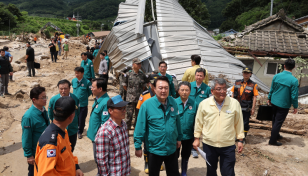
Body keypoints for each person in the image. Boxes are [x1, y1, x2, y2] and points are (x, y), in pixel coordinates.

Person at [193, 78, 244, 176]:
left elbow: (239, 123)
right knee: (211, 171)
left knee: (228, 172)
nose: (222, 92)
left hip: (228, 145)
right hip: (209, 144)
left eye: (224, 89)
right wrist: (196, 138)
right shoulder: (204, 104)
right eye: (219, 89)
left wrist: (240, 140)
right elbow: (198, 122)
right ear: (212, 91)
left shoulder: (234, 104)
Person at [134, 76, 183, 176]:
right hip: (154, 150)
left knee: (174, 173)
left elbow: (177, 122)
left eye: (166, 88)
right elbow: (140, 126)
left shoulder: (173, 102)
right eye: (160, 88)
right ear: (154, 89)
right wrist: (137, 145)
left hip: (171, 148)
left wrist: (179, 138)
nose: (163, 90)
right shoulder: (146, 105)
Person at [34, 97, 84, 176]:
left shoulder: (63, 132)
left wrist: (76, 167)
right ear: (71, 116)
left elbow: (69, 154)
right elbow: (46, 174)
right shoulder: (50, 144)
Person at [95, 95, 131, 176]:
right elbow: (101, 160)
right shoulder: (105, 132)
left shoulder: (123, 124)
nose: (124, 111)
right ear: (110, 111)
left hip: (125, 172)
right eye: (120, 109)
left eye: (124, 108)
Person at [135, 74, 164, 174]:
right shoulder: (144, 94)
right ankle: (147, 163)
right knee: (147, 146)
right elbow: (139, 110)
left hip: (158, 124)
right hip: (147, 125)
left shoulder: (163, 95)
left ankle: (159, 163)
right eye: (153, 84)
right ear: (149, 84)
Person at [267, 58, 298, 146]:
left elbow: (272, 88)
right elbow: (294, 96)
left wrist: (269, 98)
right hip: (284, 104)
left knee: (275, 119)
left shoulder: (277, 76)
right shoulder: (294, 80)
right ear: (294, 67)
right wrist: (295, 106)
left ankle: (276, 135)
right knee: (278, 121)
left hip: (274, 101)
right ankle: (272, 141)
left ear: (284, 66)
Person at [21, 86, 49, 176]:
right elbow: (26, 137)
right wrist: (29, 155)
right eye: (43, 97)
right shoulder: (28, 116)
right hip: (36, 153)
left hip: (45, 150)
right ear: (34, 99)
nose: (45, 99)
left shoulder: (43, 111)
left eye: (46, 97)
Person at [48, 80, 80, 152]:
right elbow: (50, 114)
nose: (63, 91)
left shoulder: (75, 98)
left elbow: (78, 112)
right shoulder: (53, 100)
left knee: (71, 148)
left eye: (65, 88)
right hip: (58, 130)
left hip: (72, 129)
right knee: (59, 150)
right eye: (61, 89)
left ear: (69, 88)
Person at [87, 78, 110, 175]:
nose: (91, 88)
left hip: (99, 138)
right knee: (98, 158)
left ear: (100, 89)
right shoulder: (98, 99)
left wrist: (98, 137)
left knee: (100, 159)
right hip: (95, 136)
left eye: (93, 87)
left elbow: (104, 124)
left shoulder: (106, 102)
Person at [231, 67, 258, 143]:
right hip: (236, 106)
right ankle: (235, 136)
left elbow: (255, 97)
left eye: (248, 73)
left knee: (245, 123)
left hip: (246, 107)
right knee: (234, 121)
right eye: (244, 72)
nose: (246, 74)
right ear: (242, 73)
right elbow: (233, 93)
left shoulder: (253, 85)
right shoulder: (237, 82)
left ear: (250, 74)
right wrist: (231, 104)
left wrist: (253, 108)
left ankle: (242, 138)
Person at [176, 81, 197, 176]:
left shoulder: (194, 103)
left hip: (188, 135)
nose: (184, 92)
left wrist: (196, 136)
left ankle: (184, 172)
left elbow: (197, 121)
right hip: (175, 136)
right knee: (174, 155)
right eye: (182, 90)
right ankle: (175, 172)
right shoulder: (173, 103)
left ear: (190, 91)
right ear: (178, 91)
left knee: (186, 155)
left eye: (187, 90)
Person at [123, 58, 147, 130]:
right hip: (130, 98)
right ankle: (126, 131)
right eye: (137, 64)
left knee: (138, 115)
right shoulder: (128, 74)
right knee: (129, 116)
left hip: (139, 99)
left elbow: (143, 87)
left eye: (140, 63)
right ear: (133, 65)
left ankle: (136, 131)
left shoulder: (142, 75)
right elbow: (124, 86)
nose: (139, 65)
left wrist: (138, 93)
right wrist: (131, 92)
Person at [71, 67, 92, 139]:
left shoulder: (87, 82)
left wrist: (84, 97)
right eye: (76, 73)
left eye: (78, 73)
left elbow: (90, 92)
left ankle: (80, 131)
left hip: (83, 103)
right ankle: (75, 129)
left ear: (82, 73)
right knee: (74, 117)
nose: (76, 75)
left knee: (82, 118)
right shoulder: (73, 81)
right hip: (74, 104)